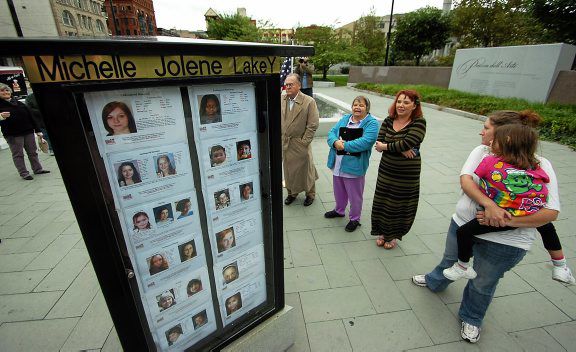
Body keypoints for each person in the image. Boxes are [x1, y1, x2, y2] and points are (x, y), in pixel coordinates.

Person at [411, 110, 568, 344]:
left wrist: (505, 219)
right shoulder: (482, 152)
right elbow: (466, 180)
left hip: (507, 241)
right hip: (463, 223)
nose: (481, 132)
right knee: (449, 260)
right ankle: (435, 281)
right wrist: (489, 205)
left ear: (506, 135)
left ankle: (472, 317)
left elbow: (550, 213)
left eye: (486, 128)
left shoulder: (540, 165)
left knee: (483, 282)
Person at [444, 124, 550, 281]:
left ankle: (462, 267)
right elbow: (545, 180)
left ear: (506, 141)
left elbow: (472, 178)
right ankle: (560, 263)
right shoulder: (534, 166)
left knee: (463, 232)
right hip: (519, 217)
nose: (489, 139)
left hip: (492, 219)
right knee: (547, 226)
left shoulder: (490, 160)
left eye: (494, 138)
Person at [372, 90, 426, 249]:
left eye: (406, 102)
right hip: (386, 170)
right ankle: (382, 232)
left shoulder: (419, 122)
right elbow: (379, 143)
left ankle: (393, 235)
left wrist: (389, 146)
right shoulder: (389, 120)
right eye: (399, 101)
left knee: (398, 204)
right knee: (383, 201)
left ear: (414, 105)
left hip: (407, 173)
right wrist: (399, 147)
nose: (401, 105)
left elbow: (408, 141)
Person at [325, 96, 378, 232]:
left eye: (361, 105)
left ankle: (355, 219)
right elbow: (331, 133)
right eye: (355, 104)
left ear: (367, 108)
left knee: (355, 195)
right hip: (338, 163)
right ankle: (339, 210)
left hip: (354, 167)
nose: (357, 107)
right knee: (339, 191)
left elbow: (366, 142)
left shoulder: (371, 123)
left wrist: (344, 145)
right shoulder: (345, 119)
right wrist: (335, 142)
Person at [281, 73, 319, 207]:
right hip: (285, 142)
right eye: (286, 84)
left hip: (300, 142)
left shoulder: (309, 101)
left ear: (299, 85)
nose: (288, 86)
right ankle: (292, 193)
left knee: (306, 169)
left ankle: (310, 194)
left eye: (291, 84)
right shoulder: (282, 99)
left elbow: (313, 124)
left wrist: (304, 142)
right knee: (288, 169)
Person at [0, 83, 50, 180]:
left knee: (33, 152)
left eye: (7, 90)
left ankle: (38, 169)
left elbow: (31, 117)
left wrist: (38, 130)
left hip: (28, 131)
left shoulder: (18, 103)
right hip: (13, 135)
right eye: (2, 91)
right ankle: (24, 173)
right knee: (18, 154)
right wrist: (1, 116)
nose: (5, 92)